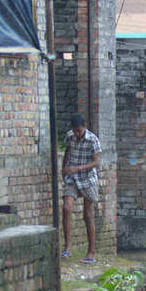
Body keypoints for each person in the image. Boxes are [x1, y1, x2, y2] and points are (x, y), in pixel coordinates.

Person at [61, 113, 101, 264]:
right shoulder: (70, 136)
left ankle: (91, 252)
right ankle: (67, 247)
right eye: (75, 130)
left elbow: (96, 162)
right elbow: (67, 151)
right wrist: (63, 168)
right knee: (66, 208)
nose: (77, 133)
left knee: (88, 215)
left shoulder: (93, 139)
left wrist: (79, 168)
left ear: (84, 127)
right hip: (72, 178)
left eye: (79, 130)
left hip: (88, 179)